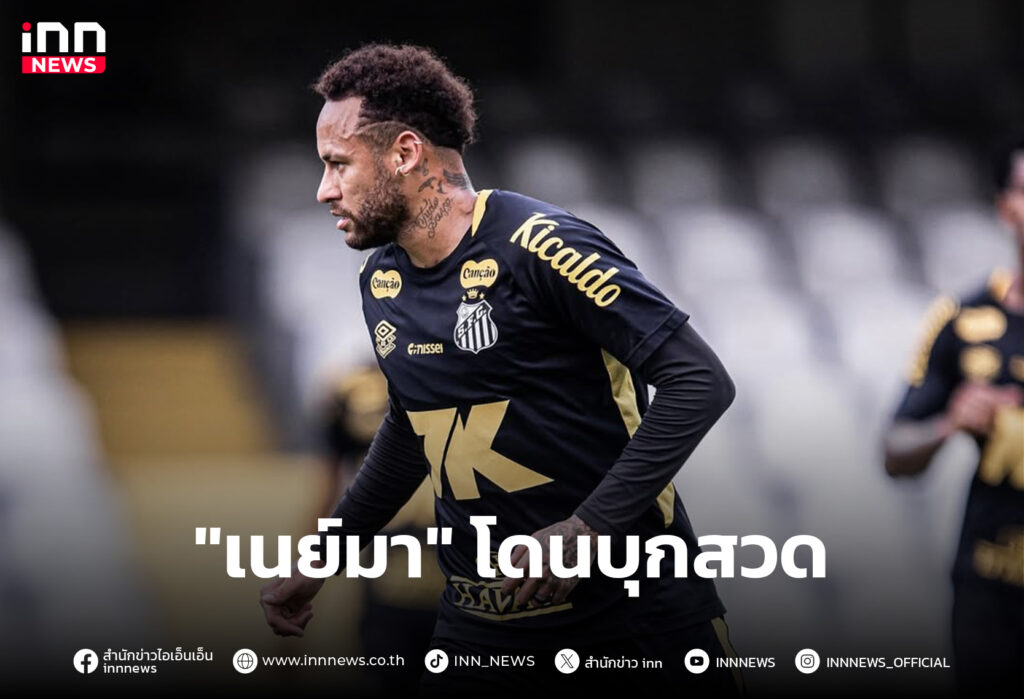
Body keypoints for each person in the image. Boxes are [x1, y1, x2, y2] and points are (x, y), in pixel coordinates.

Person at [259, 43, 740, 694]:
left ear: (405, 153)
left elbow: (699, 381)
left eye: (338, 164)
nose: (324, 189)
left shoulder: (543, 245)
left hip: (633, 623)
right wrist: (323, 557)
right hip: (482, 631)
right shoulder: (382, 280)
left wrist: (585, 530)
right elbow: (414, 426)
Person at [883, 137, 1024, 697]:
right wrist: (951, 425)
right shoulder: (963, 318)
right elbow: (895, 452)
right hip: (992, 582)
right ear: (1005, 206)